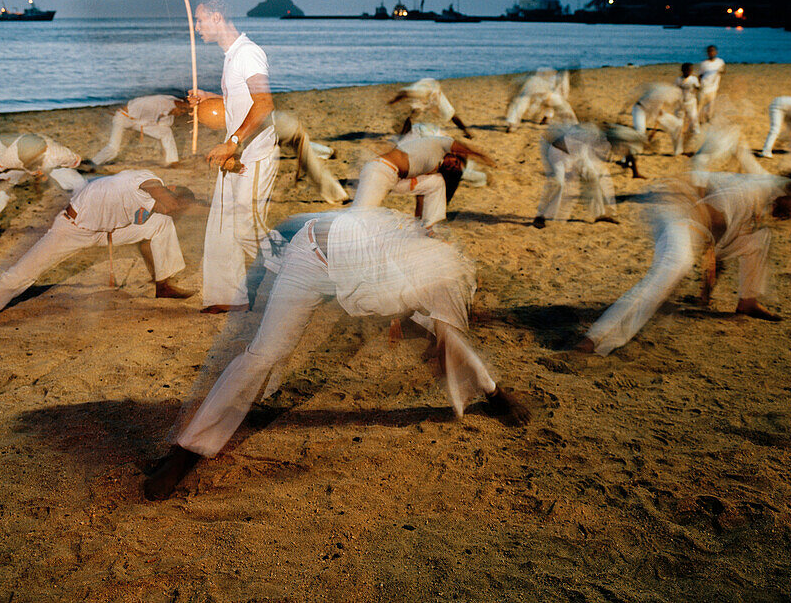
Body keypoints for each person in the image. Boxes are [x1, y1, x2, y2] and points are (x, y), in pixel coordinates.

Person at [142, 207, 530, 501]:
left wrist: (484, 388)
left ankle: (494, 394)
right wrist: (406, 324)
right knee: (265, 353)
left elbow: (449, 340)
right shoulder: (416, 265)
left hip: (357, 267)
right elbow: (439, 341)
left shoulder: (444, 283)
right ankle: (185, 451)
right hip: (311, 256)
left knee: (427, 331)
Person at [0, 170, 197, 335]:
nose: (169, 206)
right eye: (172, 201)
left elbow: (154, 212)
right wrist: (166, 197)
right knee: (17, 278)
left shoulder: (156, 202)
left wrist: (171, 208)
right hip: (71, 230)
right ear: (169, 189)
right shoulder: (147, 180)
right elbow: (151, 189)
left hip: (104, 232)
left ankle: (163, 284)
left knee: (161, 224)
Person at [575, 174, 791, 356]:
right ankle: (596, 337)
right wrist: (708, 282)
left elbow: (721, 236)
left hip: (693, 213)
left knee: (759, 240)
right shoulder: (751, 191)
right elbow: (715, 224)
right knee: (675, 266)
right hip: (672, 206)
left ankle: (747, 301)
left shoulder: (766, 193)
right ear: (786, 194)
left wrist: (708, 285)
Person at [187, 0, 279, 314]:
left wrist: (234, 141)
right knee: (223, 227)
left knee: (247, 228)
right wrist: (211, 97)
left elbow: (265, 103)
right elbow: (242, 98)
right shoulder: (232, 55)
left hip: (253, 155)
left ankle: (301, 275)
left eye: (200, 21)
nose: (197, 28)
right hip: (236, 155)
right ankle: (230, 297)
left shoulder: (248, 53)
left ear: (216, 18)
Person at [0, 133, 86, 253]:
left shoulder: (58, 154)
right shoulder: (12, 156)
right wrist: (2, 185)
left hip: (52, 164)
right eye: (26, 160)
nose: (30, 165)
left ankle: (85, 223)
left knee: (80, 184)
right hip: (18, 167)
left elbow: (75, 163)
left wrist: (52, 177)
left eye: (31, 161)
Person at [350, 133, 493, 227]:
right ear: (453, 154)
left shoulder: (435, 168)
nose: (451, 166)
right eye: (455, 163)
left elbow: (421, 197)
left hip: (397, 180)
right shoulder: (440, 145)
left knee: (436, 183)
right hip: (380, 171)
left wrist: (419, 223)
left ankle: (426, 227)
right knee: (358, 217)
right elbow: (462, 146)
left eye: (453, 169)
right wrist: (482, 156)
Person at [533, 122, 618, 226]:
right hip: (558, 153)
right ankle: (540, 216)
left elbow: (585, 153)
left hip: (577, 154)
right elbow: (570, 147)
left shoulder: (597, 138)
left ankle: (599, 214)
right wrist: (571, 171)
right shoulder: (586, 133)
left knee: (593, 178)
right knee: (559, 183)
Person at [88, 95, 190, 167]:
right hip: (124, 118)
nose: (181, 114)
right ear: (179, 106)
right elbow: (136, 106)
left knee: (166, 132)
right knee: (114, 148)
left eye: (184, 112)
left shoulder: (173, 107)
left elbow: (163, 124)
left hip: (140, 122)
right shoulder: (159, 102)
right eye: (182, 111)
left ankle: (172, 161)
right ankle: (94, 163)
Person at [271, 110, 349, 204]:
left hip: (272, 125)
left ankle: (328, 152)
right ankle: (338, 194)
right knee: (305, 150)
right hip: (283, 119)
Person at [389, 78, 474, 138]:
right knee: (412, 115)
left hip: (433, 91)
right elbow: (404, 94)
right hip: (425, 90)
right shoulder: (414, 93)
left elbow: (404, 94)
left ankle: (466, 131)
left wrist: (393, 101)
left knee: (449, 113)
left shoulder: (415, 92)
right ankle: (404, 135)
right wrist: (393, 101)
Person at [504, 69, 573, 132]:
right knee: (560, 102)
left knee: (522, 99)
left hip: (537, 82)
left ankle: (512, 123)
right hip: (541, 82)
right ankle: (512, 123)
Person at [630, 83, 682, 155]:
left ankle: (678, 150)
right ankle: (629, 154)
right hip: (640, 110)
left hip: (653, 111)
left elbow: (658, 112)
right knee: (640, 132)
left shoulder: (665, 93)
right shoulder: (659, 94)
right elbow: (656, 111)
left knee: (676, 126)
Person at [675, 63, 701, 155]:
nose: (688, 72)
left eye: (690, 70)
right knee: (678, 123)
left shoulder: (693, 79)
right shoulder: (678, 80)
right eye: (687, 70)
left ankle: (697, 138)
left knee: (693, 120)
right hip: (680, 104)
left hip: (691, 103)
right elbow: (675, 90)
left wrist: (699, 85)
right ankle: (678, 145)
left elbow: (698, 88)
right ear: (682, 71)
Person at [697, 45, 725, 124]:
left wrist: (719, 71)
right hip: (704, 87)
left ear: (716, 52)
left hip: (713, 88)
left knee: (710, 106)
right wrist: (698, 85)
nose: (711, 53)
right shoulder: (704, 63)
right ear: (707, 53)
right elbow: (700, 75)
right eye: (709, 51)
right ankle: (697, 121)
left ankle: (708, 120)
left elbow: (723, 70)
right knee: (700, 105)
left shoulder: (720, 62)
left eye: (712, 51)